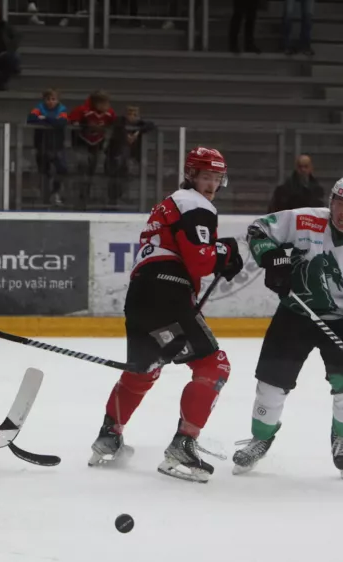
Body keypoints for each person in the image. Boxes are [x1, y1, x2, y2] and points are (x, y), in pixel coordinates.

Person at [88, 147, 245, 483]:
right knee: (214, 365)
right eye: (206, 176)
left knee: (143, 371)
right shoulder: (196, 204)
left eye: (217, 178)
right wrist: (226, 251)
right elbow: (201, 260)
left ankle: (108, 437)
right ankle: (183, 446)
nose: (212, 185)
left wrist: (220, 254)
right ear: (191, 175)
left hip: (140, 296)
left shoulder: (169, 203)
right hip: (167, 294)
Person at [233, 174, 343, 476]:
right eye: (340, 203)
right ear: (330, 201)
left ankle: (342, 438)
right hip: (294, 313)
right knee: (271, 380)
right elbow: (258, 229)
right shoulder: (305, 220)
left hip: (342, 320)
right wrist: (274, 259)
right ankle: (260, 439)